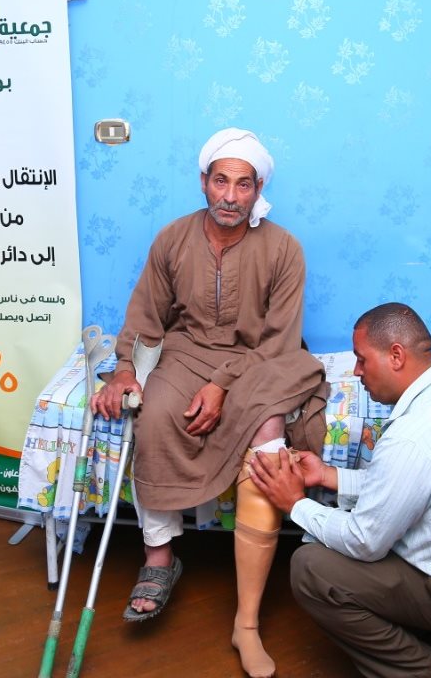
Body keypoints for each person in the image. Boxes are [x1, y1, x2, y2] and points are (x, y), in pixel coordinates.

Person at [89, 127, 329, 678]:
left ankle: (247, 622)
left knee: (267, 430)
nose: (230, 195)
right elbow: (146, 318)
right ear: (203, 182)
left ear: (258, 189)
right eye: (221, 181)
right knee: (153, 415)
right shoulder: (172, 239)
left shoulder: (284, 249)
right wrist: (124, 370)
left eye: (244, 185)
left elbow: (279, 340)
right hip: (187, 352)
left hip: (262, 360)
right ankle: (159, 559)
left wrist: (222, 384)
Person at [248, 302, 431, 678]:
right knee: (337, 537)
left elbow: (365, 541)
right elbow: (402, 487)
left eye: (361, 359)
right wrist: (329, 475)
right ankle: (424, 629)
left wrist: (295, 504)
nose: (356, 371)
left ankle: (418, 670)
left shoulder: (412, 438)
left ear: (396, 356)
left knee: (311, 567)